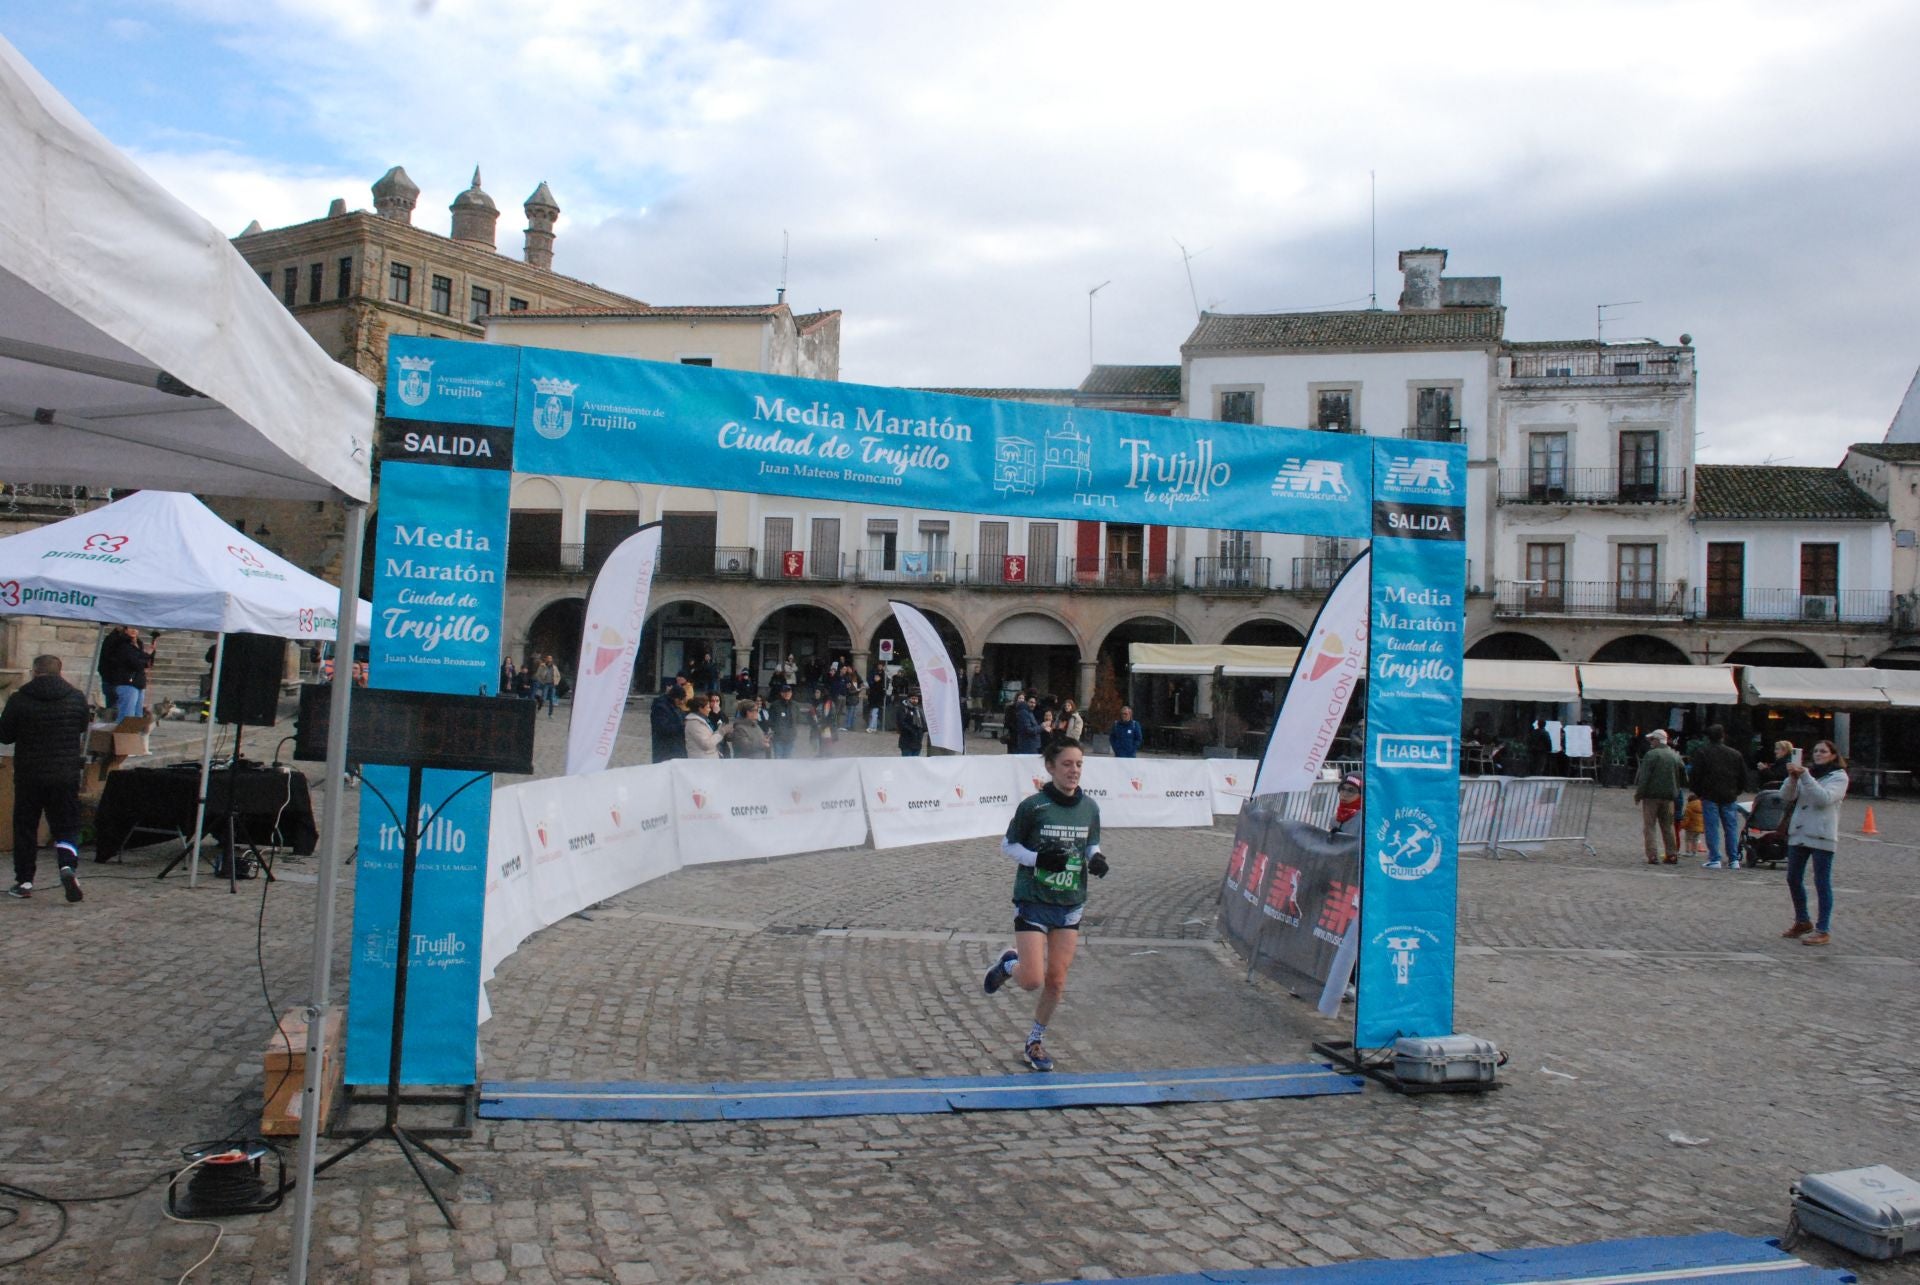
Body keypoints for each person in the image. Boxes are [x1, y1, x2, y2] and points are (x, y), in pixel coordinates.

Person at [981, 737, 1108, 1073]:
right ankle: (1009, 964)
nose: (1074, 770)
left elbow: (1090, 843)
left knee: (1057, 981)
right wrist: (1040, 859)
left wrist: (1096, 859)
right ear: (1051, 767)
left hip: (1070, 903)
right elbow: (1008, 846)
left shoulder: (1090, 808)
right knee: (1032, 979)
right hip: (1034, 900)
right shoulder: (1033, 807)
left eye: (1079, 764)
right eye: (1067, 764)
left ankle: (1034, 1042)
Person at [1, 655, 89, 901]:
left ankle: (25, 881)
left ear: (34, 671)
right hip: (65, 773)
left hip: (30, 773)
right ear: (61, 672)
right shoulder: (75, 697)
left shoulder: (19, 699)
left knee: (26, 827)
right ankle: (66, 865)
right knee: (66, 824)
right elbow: (83, 725)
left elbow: (4, 735)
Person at [1781, 741, 1849, 946]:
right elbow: (1786, 796)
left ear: (1833, 755)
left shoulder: (1839, 776)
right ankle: (1802, 920)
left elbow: (1823, 799)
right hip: (1800, 832)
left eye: (1823, 751)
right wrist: (1792, 779)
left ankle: (1823, 928)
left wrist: (1804, 776)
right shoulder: (1806, 774)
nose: (1819, 754)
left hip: (1821, 834)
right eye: (1816, 751)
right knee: (1793, 878)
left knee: (1822, 882)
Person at [1689, 724, 1748, 869]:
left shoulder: (1702, 752)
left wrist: (1699, 792)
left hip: (1710, 795)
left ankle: (1715, 858)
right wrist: (1736, 791)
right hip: (1729, 795)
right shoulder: (1735, 754)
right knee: (1731, 827)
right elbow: (1743, 777)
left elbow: (1695, 775)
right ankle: (1734, 859)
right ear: (1723, 736)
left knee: (1712, 827)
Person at [1633, 728, 1684, 865]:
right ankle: (1672, 854)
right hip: (1669, 796)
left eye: (1652, 739)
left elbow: (1644, 778)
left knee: (1650, 826)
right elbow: (1683, 775)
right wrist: (1676, 790)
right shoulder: (1674, 755)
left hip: (1651, 796)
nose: (1650, 742)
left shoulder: (1651, 755)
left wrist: (1639, 794)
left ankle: (1652, 855)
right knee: (1668, 826)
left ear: (1657, 740)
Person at [97, 624, 155, 720]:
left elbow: (144, 663)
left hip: (136, 681)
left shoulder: (138, 643)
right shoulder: (119, 642)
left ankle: (128, 734)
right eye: (130, 627)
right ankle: (116, 733)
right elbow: (135, 663)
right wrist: (146, 656)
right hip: (120, 681)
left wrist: (148, 655)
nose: (134, 630)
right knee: (122, 714)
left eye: (136, 628)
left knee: (136, 715)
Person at [650, 681, 689, 762]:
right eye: (681, 700)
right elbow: (662, 728)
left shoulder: (675, 706)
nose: (682, 703)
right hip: (665, 750)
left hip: (677, 748)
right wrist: (683, 726)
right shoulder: (660, 708)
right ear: (675, 698)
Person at [683, 693, 724, 759]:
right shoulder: (694, 723)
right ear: (700, 708)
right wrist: (721, 733)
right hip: (701, 761)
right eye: (708, 707)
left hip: (707, 759)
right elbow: (706, 744)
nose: (710, 709)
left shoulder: (703, 720)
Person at [768, 684, 799, 759]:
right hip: (778, 738)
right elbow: (771, 720)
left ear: (791, 693)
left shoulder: (795, 705)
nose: (787, 694)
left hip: (790, 738)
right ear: (781, 693)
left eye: (789, 692)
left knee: (788, 759)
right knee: (778, 760)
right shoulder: (775, 705)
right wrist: (777, 730)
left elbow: (797, 718)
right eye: (785, 692)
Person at [896, 689, 926, 757]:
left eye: (916, 699)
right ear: (908, 699)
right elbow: (901, 723)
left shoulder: (919, 709)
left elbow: (923, 722)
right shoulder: (903, 708)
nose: (915, 700)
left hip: (917, 742)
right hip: (907, 741)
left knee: (915, 763)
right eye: (913, 698)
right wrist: (912, 731)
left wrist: (923, 730)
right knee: (907, 763)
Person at [1678, 794, 1705, 858]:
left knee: (1688, 839)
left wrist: (1682, 826)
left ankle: (1688, 852)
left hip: (1690, 827)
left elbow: (1686, 818)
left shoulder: (1689, 807)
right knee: (1695, 840)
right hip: (1699, 828)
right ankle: (1694, 852)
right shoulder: (1702, 806)